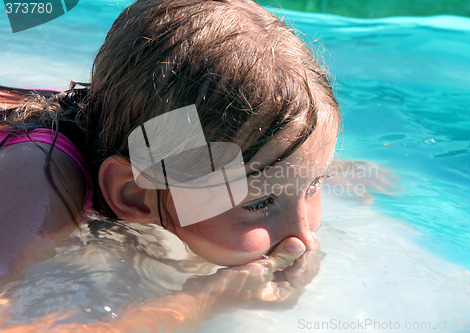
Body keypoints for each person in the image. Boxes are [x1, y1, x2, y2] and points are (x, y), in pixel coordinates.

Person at [0, 0, 339, 330]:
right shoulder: (39, 177)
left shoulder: (170, 158)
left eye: (312, 184)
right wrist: (204, 299)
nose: (304, 239)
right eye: (260, 203)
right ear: (136, 194)